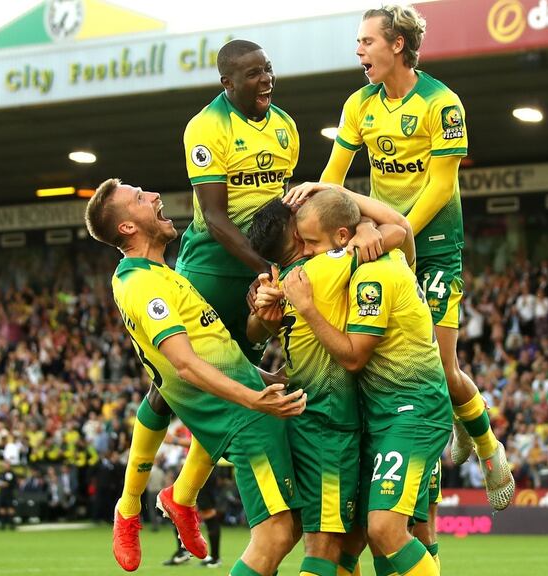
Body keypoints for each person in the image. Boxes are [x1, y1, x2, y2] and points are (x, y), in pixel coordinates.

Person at [291, 3, 513, 512]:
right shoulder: (359, 104)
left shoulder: (443, 103)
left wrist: (395, 229)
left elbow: (441, 184)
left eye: (367, 41)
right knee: (400, 363)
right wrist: (315, 192)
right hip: (383, 239)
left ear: (396, 44)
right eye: (357, 42)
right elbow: (336, 177)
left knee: (439, 362)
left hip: (433, 244)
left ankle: (487, 447)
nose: (359, 50)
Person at [85, 178, 306, 576]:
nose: (153, 195)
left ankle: (169, 499)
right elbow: (184, 364)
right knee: (276, 536)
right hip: (246, 422)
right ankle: (136, 506)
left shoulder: (167, 276)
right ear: (126, 227)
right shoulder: (141, 285)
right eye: (139, 198)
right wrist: (253, 398)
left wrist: (267, 380)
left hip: (253, 412)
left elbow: (215, 356)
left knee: (290, 532)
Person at [164, 37, 302, 559]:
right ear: (227, 83)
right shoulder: (206, 127)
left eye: (268, 69)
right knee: (173, 377)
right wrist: (270, 267)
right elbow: (218, 220)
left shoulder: (286, 127)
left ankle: (181, 494)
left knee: (239, 377)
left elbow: (278, 210)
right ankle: (131, 505)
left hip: (260, 259)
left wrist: (285, 256)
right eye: (253, 73)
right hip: (214, 261)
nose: (266, 78)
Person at [277, 189, 448, 576]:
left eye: (311, 243)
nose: (304, 252)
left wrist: (304, 307)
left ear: (342, 238)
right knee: (365, 537)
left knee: (386, 530)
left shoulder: (373, 272)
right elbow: (401, 229)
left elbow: (353, 357)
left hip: (411, 411)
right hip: (380, 416)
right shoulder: (360, 264)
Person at [245, 190, 413, 576]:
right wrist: (361, 223)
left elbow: (255, 330)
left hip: (317, 420)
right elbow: (399, 230)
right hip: (328, 425)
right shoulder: (321, 270)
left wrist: (257, 309)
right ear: (296, 237)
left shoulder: (283, 281)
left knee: (345, 540)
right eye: (301, 220)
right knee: (325, 545)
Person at [0, 461, 18, 530]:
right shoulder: (1, 474)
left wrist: (4, 484)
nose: (4, 466)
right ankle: (2, 524)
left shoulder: (11, 474)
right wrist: (0, 484)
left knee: (10, 508)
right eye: (3, 465)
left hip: (9, 494)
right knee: (2, 508)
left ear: (9, 465)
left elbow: (9, 483)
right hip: (2, 493)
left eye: (6, 465)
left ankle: (11, 524)